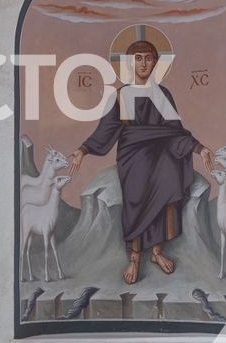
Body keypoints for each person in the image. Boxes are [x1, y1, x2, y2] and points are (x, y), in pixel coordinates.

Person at [79, 25, 201, 285]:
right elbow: (106, 130)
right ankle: (135, 255)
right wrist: (83, 150)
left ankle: (156, 252)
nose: (144, 63)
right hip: (132, 155)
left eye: (149, 58)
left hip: (162, 151)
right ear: (130, 63)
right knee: (138, 189)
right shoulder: (122, 94)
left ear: (156, 63)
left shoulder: (162, 93)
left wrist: (199, 148)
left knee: (169, 174)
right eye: (139, 58)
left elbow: (175, 131)